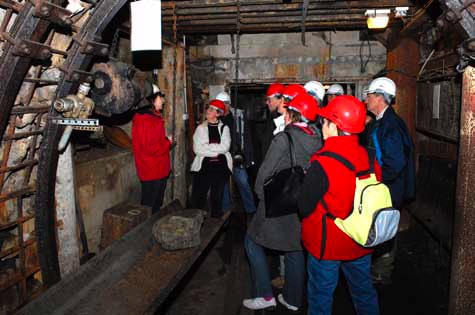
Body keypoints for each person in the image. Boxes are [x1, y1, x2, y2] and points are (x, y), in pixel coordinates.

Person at [298, 95, 380, 315]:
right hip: (361, 240)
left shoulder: (323, 161)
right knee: (364, 294)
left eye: (325, 122)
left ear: (334, 126)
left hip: (328, 245)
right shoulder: (369, 156)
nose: (322, 126)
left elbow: (304, 205)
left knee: (320, 299)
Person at [243, 94, 321, 311]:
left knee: (251, 242)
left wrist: (262, 198)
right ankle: (293, 299)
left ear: (291, 114)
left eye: (287, 111)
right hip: (301, 203)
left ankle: (264, 295)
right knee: (294, 249)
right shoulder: (317, 137)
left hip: (277, 202)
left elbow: (263, 175)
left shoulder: (284, 139)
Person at [364, 77, 415, 285]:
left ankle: (382, 272)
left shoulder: (390, 125)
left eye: (369, 95)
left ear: (379, 98)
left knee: (384, 228)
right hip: (386, 187)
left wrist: (375, 184)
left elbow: (394, 163)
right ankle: (379, 268)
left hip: (388, 189)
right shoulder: (383, 122)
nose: (366, 99)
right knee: (381, 227)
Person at [271, 83, 307, 290]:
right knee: (292, 242)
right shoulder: (307, 130)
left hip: (288, 191)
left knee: (291, 242)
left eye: (287, 100)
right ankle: (290, 279)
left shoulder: (290, 132)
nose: (283, 103)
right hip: (294, 192)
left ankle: (292, 286)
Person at [132, 85, 173, 214]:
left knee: (156, 205)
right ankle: (145, 232)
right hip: (151, 171)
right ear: (153, 99)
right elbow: (149, 148)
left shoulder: (154, 117)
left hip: (158, 169)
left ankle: (153, 229)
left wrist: (165, 140)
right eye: (161, 97)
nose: (163, 101)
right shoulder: (145, 119)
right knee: (149, 207)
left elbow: (153, 141)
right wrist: (167, 142)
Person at [190, 99, 232, 218]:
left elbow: (225, 147)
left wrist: (207, 147)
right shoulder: (200, 129)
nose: (208, 111)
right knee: (198, 197)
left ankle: (215, 223)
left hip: (220, 168)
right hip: (203, 167)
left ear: (218, 114)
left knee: (216, 198)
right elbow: (197, 149)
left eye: (212, 109)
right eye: (209, 108)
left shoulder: (225, 129)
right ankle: (196, 221)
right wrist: (216, 150)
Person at [217, 91, 257, 215]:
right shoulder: (215, 118)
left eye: (224, 104)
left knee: (243, 182)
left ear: (228, 104)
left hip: (236, 156)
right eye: (220, 105)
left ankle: (251, 210)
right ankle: (226, 210)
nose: (222, 107)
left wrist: (249, 157)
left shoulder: (238, 116)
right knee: (223, 185)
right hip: (222, 156)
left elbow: (247, 138)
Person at [261, 83, 286, 162]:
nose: (267, 103)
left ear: (280, 100)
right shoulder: (273, 120)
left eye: (269, 100)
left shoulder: (285, 122)